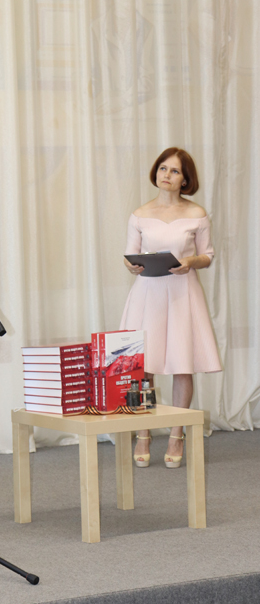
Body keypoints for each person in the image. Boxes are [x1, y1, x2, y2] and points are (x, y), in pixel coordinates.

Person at [121, 148, 221, 468]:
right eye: (163, 168)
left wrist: (190, 261)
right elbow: (129, 256)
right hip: (147, 292)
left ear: (185, 179)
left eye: (175, 171)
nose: (167, 175)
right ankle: (144, 433)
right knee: (143, 368)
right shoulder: (139, 214)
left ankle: (177, 434)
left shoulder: (197, 213)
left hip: (182, 291)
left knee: (182, 363)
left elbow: (207, 255)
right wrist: (132, 265)